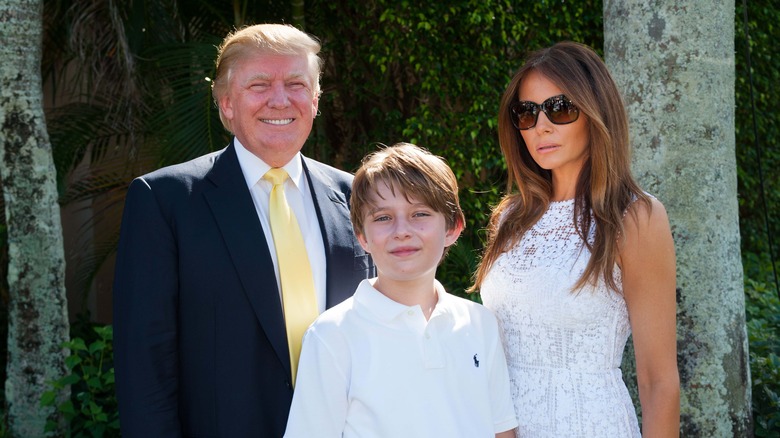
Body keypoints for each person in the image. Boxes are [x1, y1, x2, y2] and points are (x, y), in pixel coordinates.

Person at [112, 24, 374, 437]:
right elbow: (145, 363)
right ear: (226, 104)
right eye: (259, 84)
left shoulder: (357, 195)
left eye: (296, 84)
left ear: (316, 100)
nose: (280, 99)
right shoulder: (164, 201)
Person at [472, 41, 680, 437]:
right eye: (527, 113)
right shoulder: (509, 218)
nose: (541, 126)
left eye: (560, 108)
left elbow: (659, 382)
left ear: (595, 113)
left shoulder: (635, 217)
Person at [283, 143, 518, 438]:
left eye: (420, 214)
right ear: (362, 237)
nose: (402, 230)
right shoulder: (331, 336)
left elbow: (502, 431)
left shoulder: (481, 324)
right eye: (383, 218)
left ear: (453, 228)